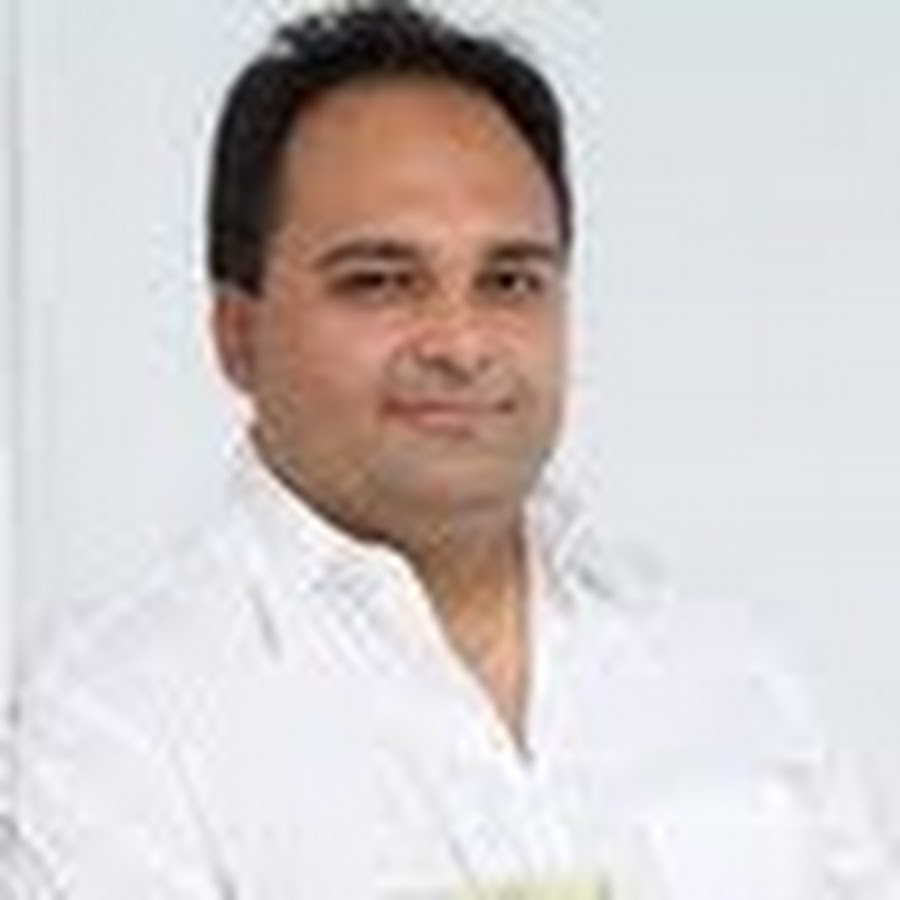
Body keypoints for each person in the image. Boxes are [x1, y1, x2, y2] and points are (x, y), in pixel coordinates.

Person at [3, 1, 898, 897]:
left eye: (509, 281)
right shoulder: (114, 730)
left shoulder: (729, 671)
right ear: (237, 334)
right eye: (381, 282)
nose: (462, 345)